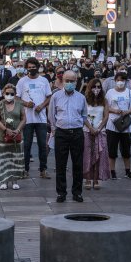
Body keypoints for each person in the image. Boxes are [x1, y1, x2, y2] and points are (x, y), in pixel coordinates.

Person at [49, 70, 88, 203]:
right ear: (62, 81)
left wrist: (78, 127)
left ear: (76, 82)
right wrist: (54, 129)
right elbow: (51, 115)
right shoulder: (56, 96)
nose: (69, 83)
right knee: (61, 164)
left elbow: (84, 115)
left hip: (77, 133)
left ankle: (77, 192)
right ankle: (61, 193)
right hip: (61, 133)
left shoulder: (81, 97)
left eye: (72, 81)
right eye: (67, 81)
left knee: (78, 164)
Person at [17, 57, 53, 179]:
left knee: (43, 145)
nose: (31, 69)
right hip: (27, 119)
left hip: (41, 119)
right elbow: (16, 98)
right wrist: (26, 104)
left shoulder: (44, 81)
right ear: (26, 68)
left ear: (38, 67)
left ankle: (43, 169)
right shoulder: (22, 81)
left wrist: (42, 106)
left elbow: (49, 96)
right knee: (26, 145)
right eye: (29, 68)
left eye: (33, 67)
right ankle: (25, 169)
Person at [104, 72, 131, 180]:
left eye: (122, 80)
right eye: (118, 80)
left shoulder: (130, 93)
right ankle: (112, 171)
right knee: (112, 149)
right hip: (112, 124)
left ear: (125, 81)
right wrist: (114, 110)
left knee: (126, 150)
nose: (120, 82)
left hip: (126, 125)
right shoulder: (110, 92)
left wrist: (127, 112)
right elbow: (105, 106)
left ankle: (127, 171)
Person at [0, 84, 26, 190]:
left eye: (12, 93)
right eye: (7, 93)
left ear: (15, 94)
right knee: (3, 158)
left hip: (16, 135)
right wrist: (5, 129)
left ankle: (14, 180)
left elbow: (24, 118)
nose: (9, 95)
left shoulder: (19, 104)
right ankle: (4, 180)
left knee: (15, 158)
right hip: (3, 135)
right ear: (3, 94)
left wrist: (18, 130)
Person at [83, 78, 110, 189]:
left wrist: (98, 128)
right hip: (87, 130)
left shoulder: (104, 100)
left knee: (100, 155)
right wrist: (90, 128)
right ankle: (88, 178)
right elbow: (83, 115)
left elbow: (106, 116)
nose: (96, 89)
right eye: (94, 87)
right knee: (87, 155)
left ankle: (96, 179)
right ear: (90, 88)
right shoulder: (84, 100)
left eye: (98, 87)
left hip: (100, 131)